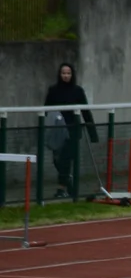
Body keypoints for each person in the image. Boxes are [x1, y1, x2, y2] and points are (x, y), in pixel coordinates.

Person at [43, 63, 97, 199]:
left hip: (73, 129)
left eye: (68, 73)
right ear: (59, 74)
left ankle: (61, 189)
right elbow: (46, 110)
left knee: (66, 159)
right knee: (57, 160)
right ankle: (69, 183)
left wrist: (92, 133)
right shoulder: (53, 90)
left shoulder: (78, 90)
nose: (66, 76)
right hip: (57, 130)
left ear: (72, 75)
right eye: (63, 73)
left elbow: (85, 111)